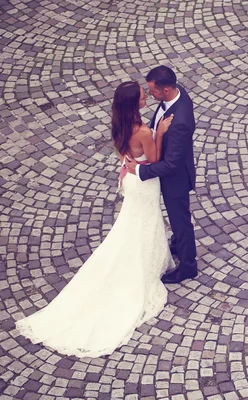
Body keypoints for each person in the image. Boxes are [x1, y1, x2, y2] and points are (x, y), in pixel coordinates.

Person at [15, 82, 175, 358]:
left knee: (133, 224)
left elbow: (126, 155)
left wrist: (130, 164)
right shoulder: (145, 131)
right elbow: (155, 158)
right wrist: (160, 133)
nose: (146, 96)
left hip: (132, 181)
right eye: (142, 95)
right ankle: (143, 266)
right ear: (133, 103)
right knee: (143, 224)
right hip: (144, 184)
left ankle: (147, 259)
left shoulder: (120, 125)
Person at [125, 66, 198, 284]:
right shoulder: (176, 93)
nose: (149, 96)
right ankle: (176, 243)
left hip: (175, 180)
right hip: (169, 168)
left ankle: (187, 267)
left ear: (166, 90)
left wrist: (140, 170)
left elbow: (172, 164)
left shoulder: (180, 122)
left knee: (181, 222)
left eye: (152, 91)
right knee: (178, 222)